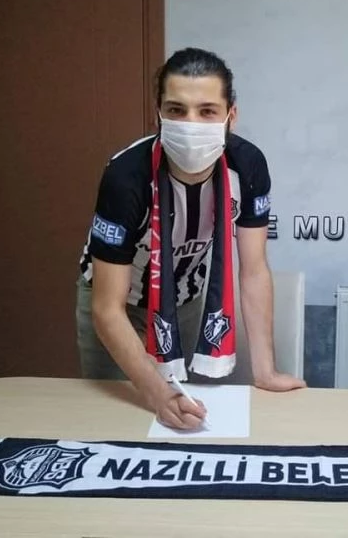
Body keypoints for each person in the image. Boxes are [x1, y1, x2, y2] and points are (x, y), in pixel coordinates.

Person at [76, 47, 306, 431]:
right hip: (119, 305)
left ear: (231, 115)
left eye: (207, 111)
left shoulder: (248, 166)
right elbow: (106, 308)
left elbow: (253, 270)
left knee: (179, 417)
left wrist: (265, 371)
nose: (191, 123)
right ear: (158, 113)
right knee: (121, 420)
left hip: (184, 299)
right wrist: (157, 393)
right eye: (177, 110)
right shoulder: (125, 176)